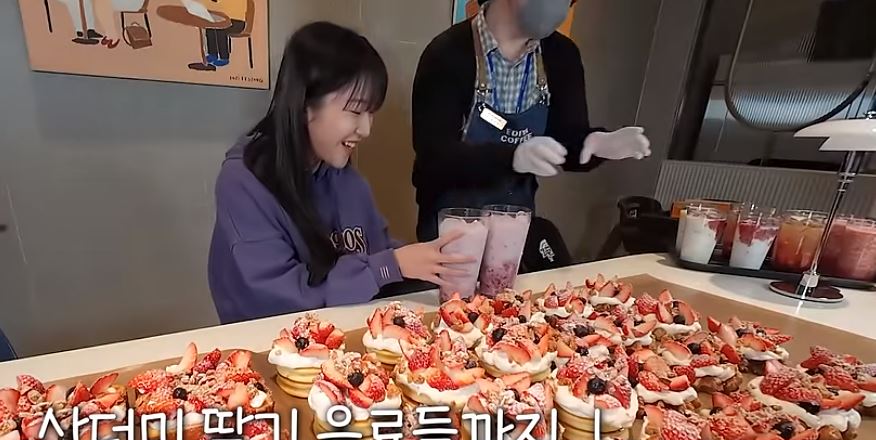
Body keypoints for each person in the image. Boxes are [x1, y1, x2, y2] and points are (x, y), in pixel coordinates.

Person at [208, 22, 470, 324]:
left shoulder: (347, 179)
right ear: (305, 105)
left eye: (371, 113)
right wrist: (389, 266)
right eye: (355, 111)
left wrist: (427, 262)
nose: (366, 129)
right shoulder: (244, 182)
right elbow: (280, 299)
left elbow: (378, 253)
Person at [411, 0, 652, 242]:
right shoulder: (448, 54)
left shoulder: (561, 55)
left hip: (514, 225)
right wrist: (512, 158)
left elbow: (567, 143)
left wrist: (596, 143)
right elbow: (435, 158)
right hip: (450, 225)